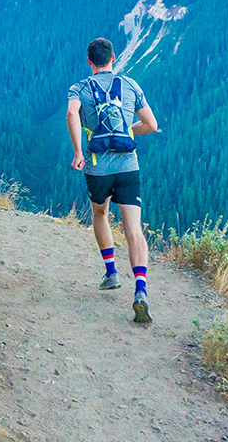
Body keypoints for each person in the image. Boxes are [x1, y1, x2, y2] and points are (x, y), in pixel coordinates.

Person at [66, 38, 159, 323]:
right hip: (128, 166)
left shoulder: (79, 88)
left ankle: (111, 273)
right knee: (133, 228)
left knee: (100, 213)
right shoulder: (131, 85)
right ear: (114, 58)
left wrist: (79, 152)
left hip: (97, 168)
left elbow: (72, 113)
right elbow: (152, 125)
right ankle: (140, 290)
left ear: (89, 60)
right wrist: (127, 131)